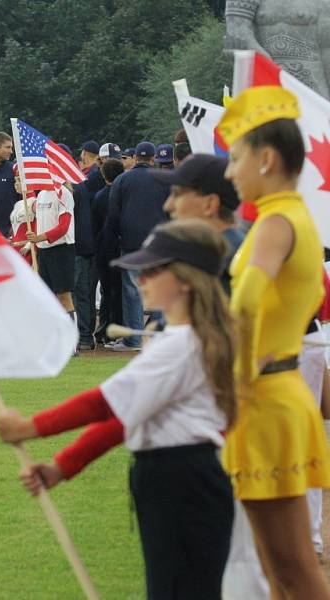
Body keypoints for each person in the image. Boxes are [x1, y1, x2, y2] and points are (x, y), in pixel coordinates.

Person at [0, 219, 235, 599]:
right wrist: (63, 466)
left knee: (179, 589)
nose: (142, 279)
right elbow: (124, 419)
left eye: (154, 271)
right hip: (176, 473)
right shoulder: (183, 339)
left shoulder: (180, 345)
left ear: (186, 281)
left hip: (182, 476)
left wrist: (29, 428)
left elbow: (103, 405)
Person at [219, 85, 330, 598]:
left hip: (263, 398)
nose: (228, 172)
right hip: (271, 395)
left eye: (235, 158)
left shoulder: (276, 223)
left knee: (291, 569)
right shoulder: (291, 217)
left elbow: (243, 306)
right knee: (281, 567)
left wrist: (229, 375)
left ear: (266, 159)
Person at [104, 141, 170, 351]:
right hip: (159, 244)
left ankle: (133, 340)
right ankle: (157, 336)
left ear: (136, 158)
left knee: (132, 290)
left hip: (131, 244)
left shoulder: (122, 180)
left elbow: (113, 215)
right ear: (153, 158)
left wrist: (114, 239)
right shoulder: (165, 180)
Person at [153, 153, 244, 295]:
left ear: (210, 204)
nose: (168, 206)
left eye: (177, 194)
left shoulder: (220, 266)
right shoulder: (219, 254)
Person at [25, 184, 76, 323]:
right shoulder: (41, 194)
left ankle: (71, 341)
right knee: (47, 297)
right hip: (43, 250)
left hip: (60, 250)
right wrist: (34, 242)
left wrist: (39, 238)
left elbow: (63, 227)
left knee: (64, 297)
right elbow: (40, 222)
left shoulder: (63, 193)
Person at [92, 158, 125, 347]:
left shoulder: (99, 197)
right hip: (120, 247)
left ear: (104, 176)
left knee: (107, 291)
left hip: (103, 248)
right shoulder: (123, 195)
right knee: (118, 292)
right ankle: (115, 330)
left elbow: (95, 227)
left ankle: (104, 329)